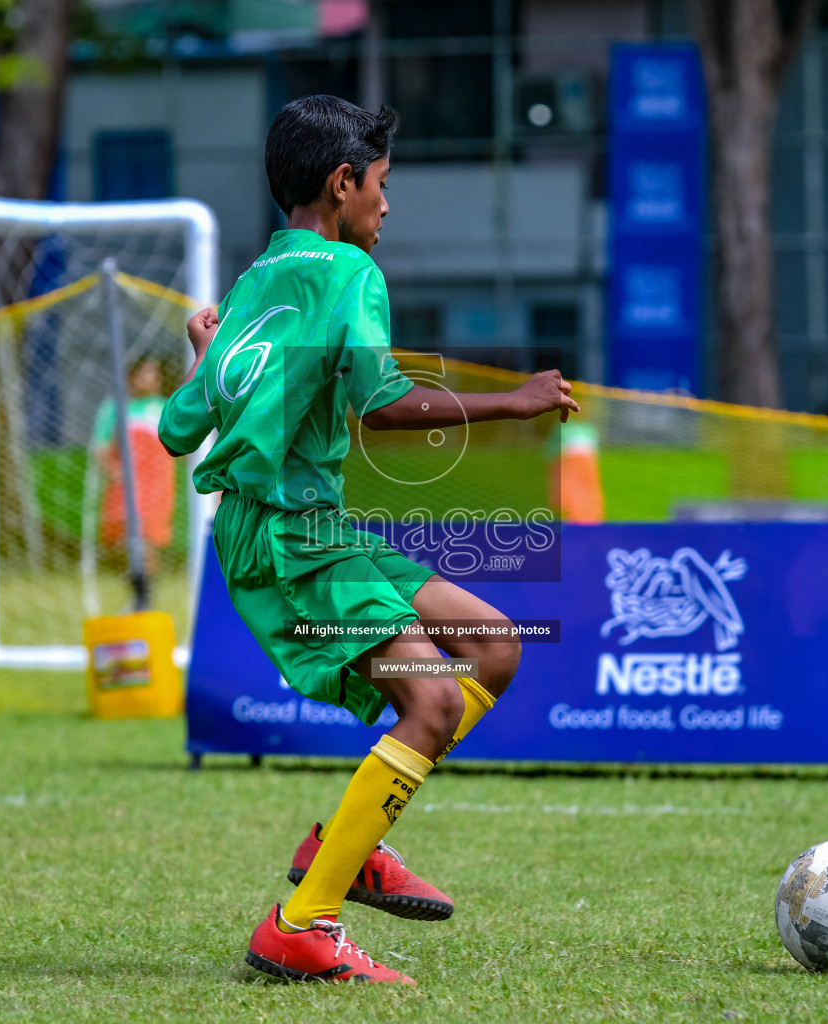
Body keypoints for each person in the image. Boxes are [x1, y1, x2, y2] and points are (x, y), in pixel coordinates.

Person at [159, 95, 578, 985]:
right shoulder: (349, 273)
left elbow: (175, 426)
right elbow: (384, 406)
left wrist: (204, 347)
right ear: (341, 184)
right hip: (290, 534)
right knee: (434, 703)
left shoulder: (250, 284)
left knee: (491, 648)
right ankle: (300, 926)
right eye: (381, 186)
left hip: (301, 526)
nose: (387, 206)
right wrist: (515, 401)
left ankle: (338, 853)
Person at [91, 357, 175, 575]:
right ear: (132, 376)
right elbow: (101, 446)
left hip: (157, 481)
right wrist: (112, 472)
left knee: (149, 537)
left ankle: (144, 587)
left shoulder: (165, 408)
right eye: (145, 373)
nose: (150, 379)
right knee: (126, 536)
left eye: (154, 373)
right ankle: (133, 580)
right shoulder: (114, 408)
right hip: (127, 481)